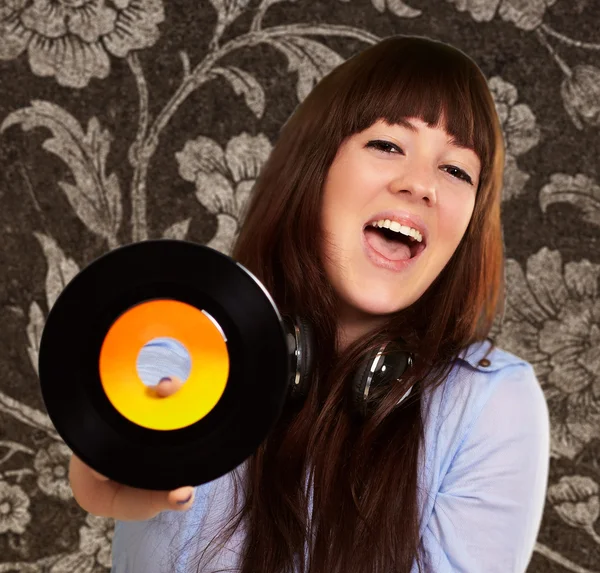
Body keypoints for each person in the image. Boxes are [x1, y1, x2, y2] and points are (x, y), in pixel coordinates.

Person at [68, 34, 551, 572]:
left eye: (457, 170)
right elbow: (117, 439)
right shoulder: (187, 339)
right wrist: (105, 466)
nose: (420, 185)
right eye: (388, 145)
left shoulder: (492, 404)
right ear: (315, 169)